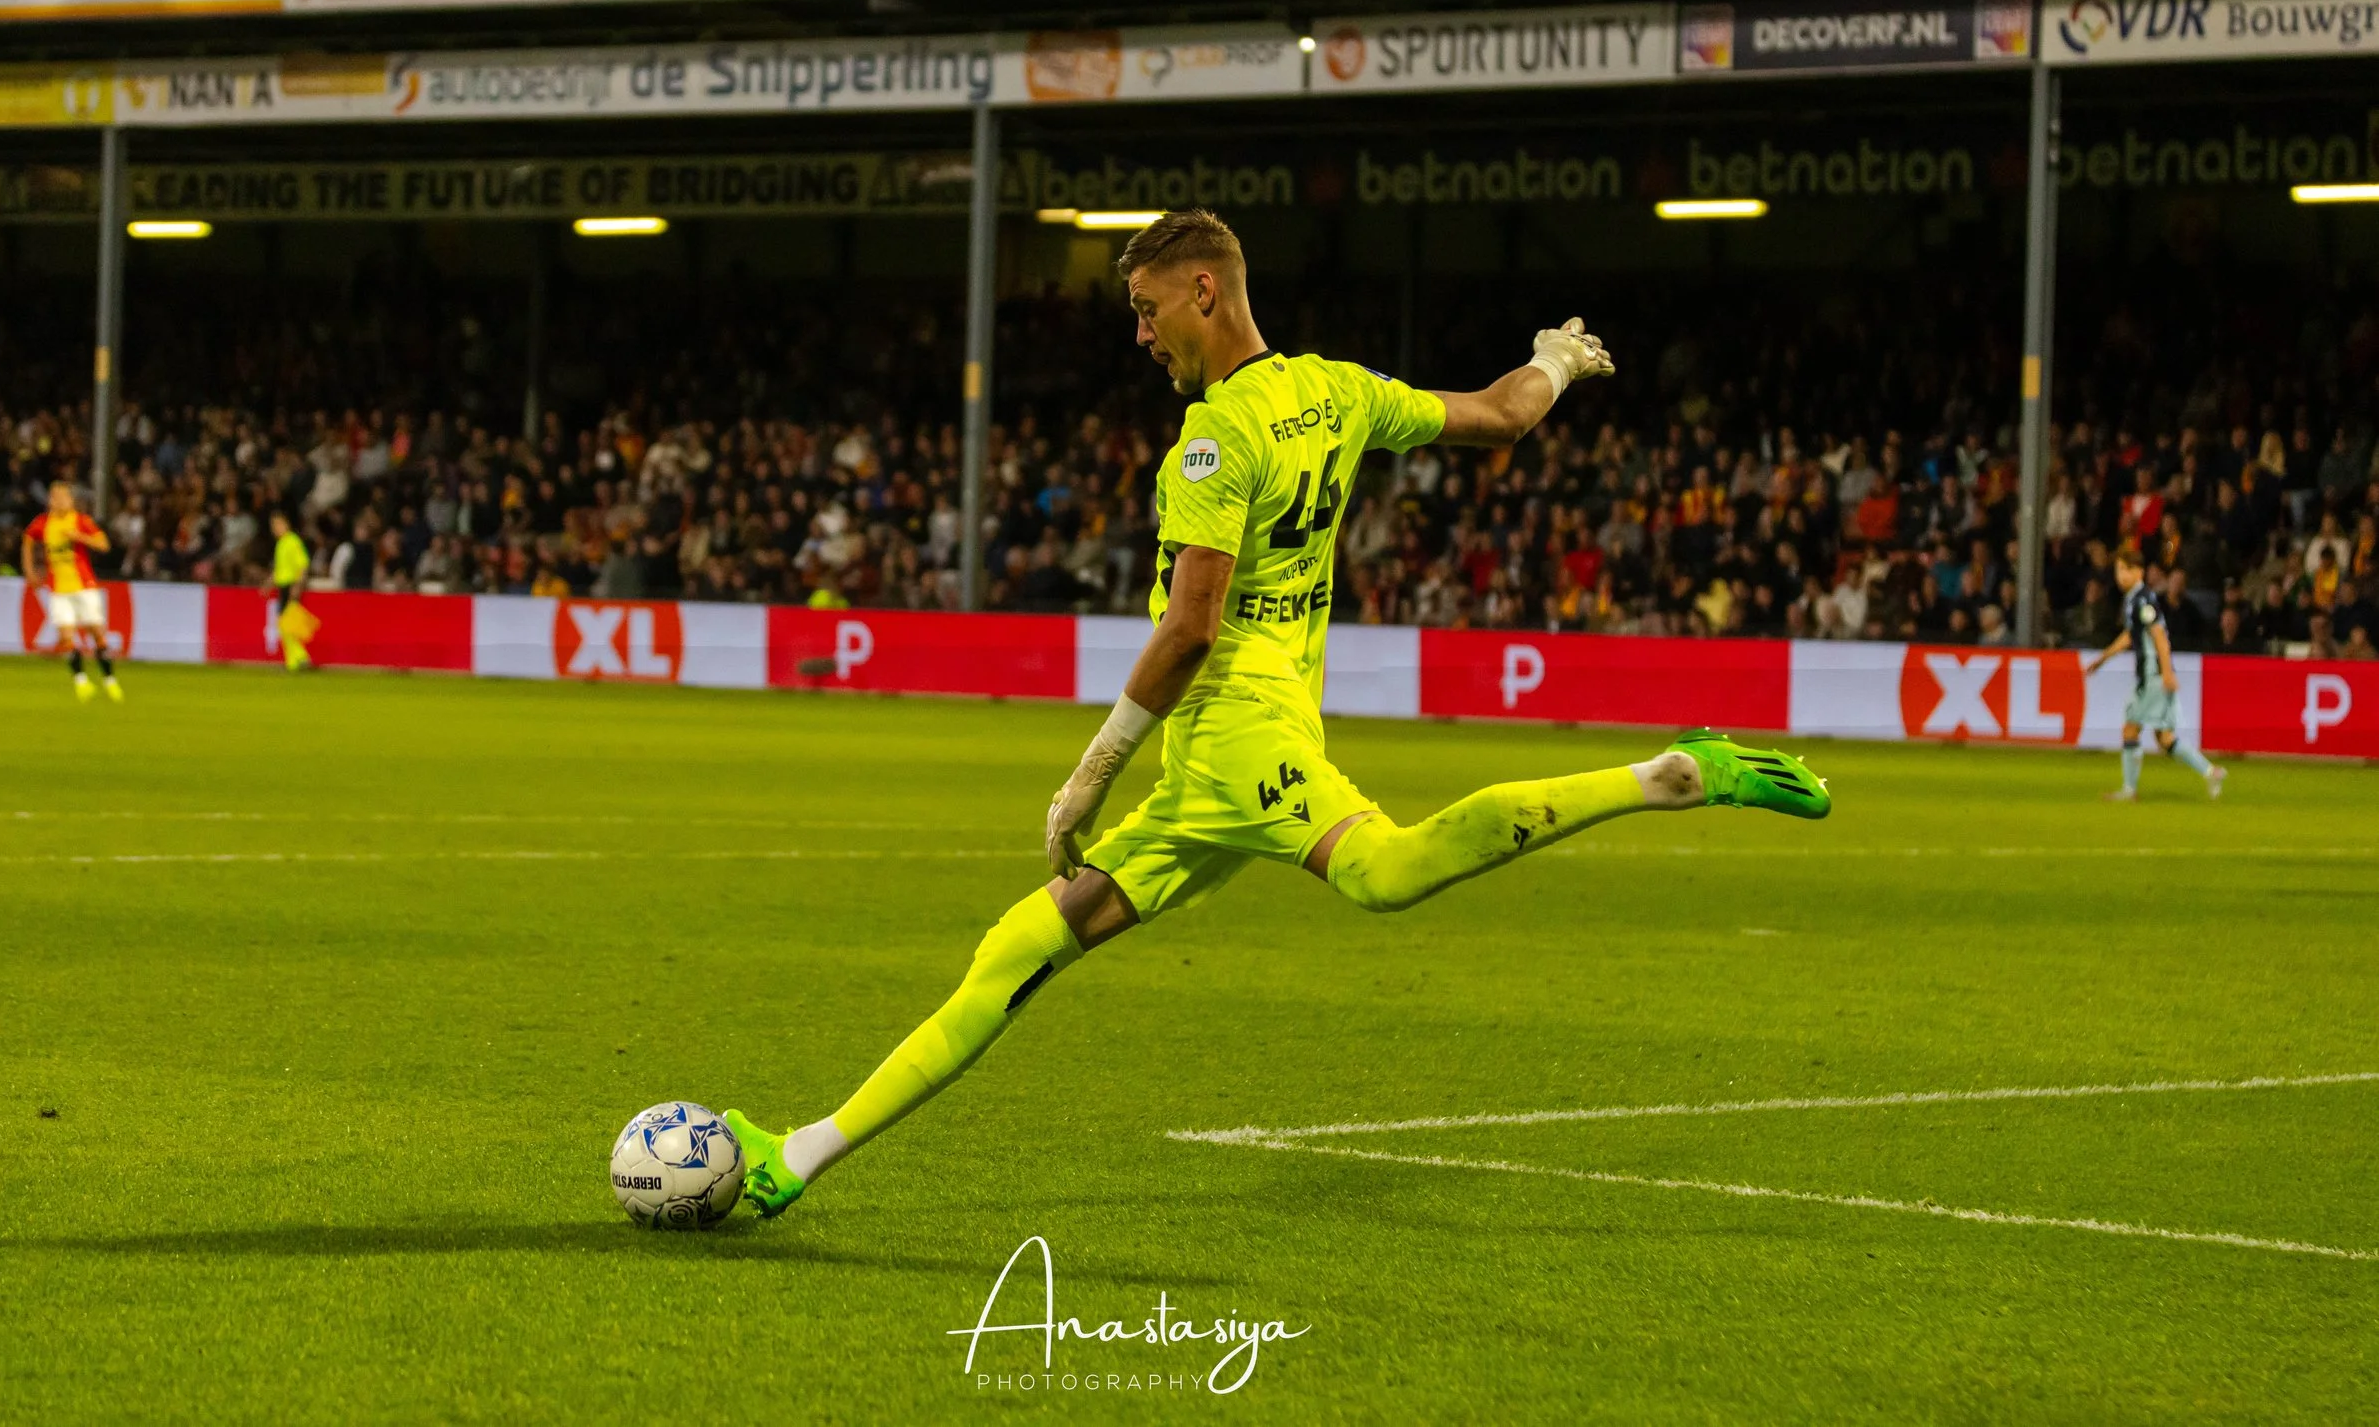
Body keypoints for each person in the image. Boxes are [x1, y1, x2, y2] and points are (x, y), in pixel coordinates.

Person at [719, 208, 1832, 1218]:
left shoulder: (1212, 439)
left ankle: (1665, 773)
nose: (1142, 336)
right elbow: (1497, 417)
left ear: (1204, 291)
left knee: (1384, 872)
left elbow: (1191, 621)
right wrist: (1550, 362)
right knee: (1018, 943)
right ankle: (794, 1157)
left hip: (1234, 735)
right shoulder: (1336, 389)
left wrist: (1093, 767)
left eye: (1148, 310)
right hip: (1224, 751)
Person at [2085, 546, 2224, 802]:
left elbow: (2159, 636)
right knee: (2165, 739)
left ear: (2137, 571)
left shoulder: (2143, 600)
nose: (2119, 576)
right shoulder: (2134, 600)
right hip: (2154, 677)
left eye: (2123, 570)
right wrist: (2103, 658)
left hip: (2153, 677)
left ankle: (2129, 790)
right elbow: (2131, 636)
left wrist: (2168, 673)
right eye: (2117, 570)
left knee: (2130, 728)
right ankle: (2211, 771)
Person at [21, 480, 120, 703]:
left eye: (61, 496)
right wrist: (29, 569)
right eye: (53, 496)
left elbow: (104, 544)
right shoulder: (43, 523)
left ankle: (109, 680)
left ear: (70, 500)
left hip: (85, 588)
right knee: (66, 638)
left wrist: (79, 537)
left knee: (97, 635)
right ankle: (81, 681)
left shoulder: (80, 521)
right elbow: (27, 539)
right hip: (58, 591)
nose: (56, 500)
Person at [268, 510, 316, 672]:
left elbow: (302, 565)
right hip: (283, 587)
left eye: (277, 524)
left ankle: (299, 659)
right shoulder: (281, 543)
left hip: (291, 586)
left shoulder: (292, 541)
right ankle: (296, 660)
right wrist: (268, 584)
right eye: (273, 526)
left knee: (287, 624)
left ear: (286, 524)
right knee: (285, 625)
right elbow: (279, 569)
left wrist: (298, 586)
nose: (275, 528)